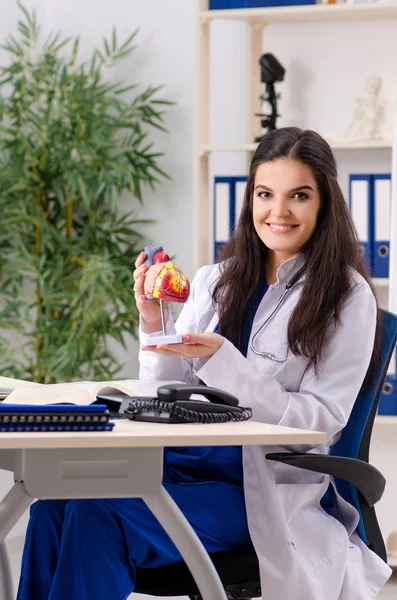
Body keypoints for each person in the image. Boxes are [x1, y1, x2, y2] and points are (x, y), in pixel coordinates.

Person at [16, 127, 391, 600]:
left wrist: (223, 361)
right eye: (265, 194)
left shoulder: (346, 297)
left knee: (99, 512)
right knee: (53, 501)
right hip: (179, 466)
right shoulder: (218, 279)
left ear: (325, 204)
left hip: (259, 491)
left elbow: (318, 423)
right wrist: (155, 323)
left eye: (299, 195)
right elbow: (167, 392)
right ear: (250, 199)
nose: (278, 212)